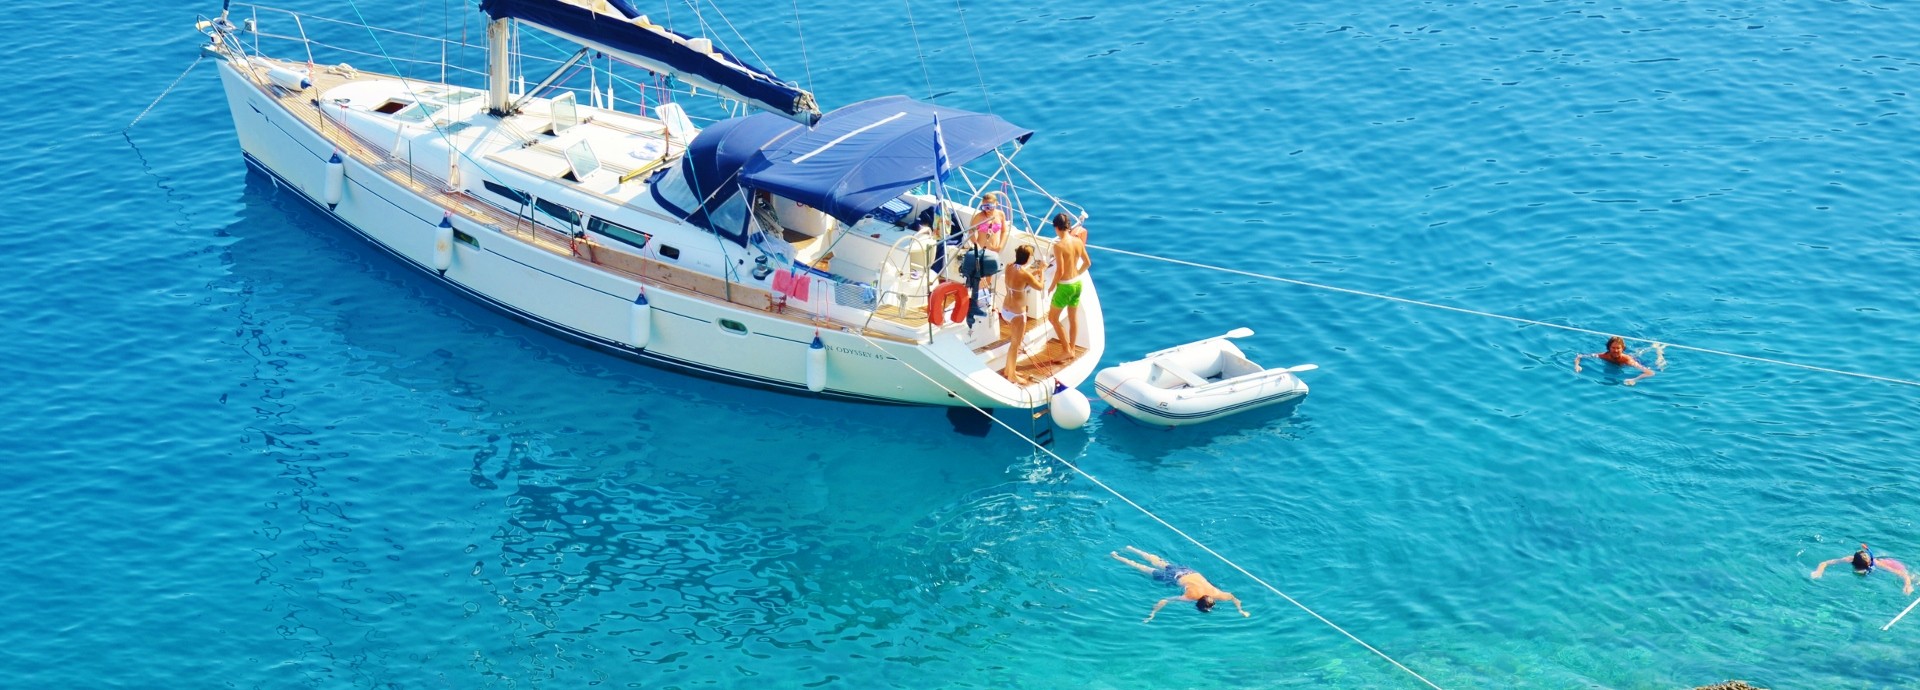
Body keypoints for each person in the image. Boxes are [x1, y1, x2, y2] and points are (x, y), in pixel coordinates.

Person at [1110, 546, 1248, 622]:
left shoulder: (1218, 595)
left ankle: (1131, 549)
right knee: (1143, 569)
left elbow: (1233, 597)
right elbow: (1164, 600)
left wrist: (1240, 610)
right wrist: (1152, 614)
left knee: (1158, 561)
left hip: (1188, 571)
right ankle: (1116, 557)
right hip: (1175, 577)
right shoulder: (1190, 596)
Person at [1046, 213, 1090, 361]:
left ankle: (1066, 350)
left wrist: (1052, 286)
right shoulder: (1077, 241)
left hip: (1065, 286)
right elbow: (1087, 263)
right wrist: (1077, 273)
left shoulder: (1058, 246)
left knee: (1052, 318)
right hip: (1077, 283)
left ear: (1056, 227)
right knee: (1073, 318)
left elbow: (1060, 271)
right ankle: (1071, 348)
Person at [1000, 245, 1044, 382]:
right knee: (1015, 345)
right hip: (1017, 313)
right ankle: (1012, 375)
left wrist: (1034, 271)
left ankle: (1009, 370)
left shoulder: (1009, 266)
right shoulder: (1024, 274)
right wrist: (1041, 271)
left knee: (1013, 343)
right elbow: (1040, 286)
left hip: (1006, 309)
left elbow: (1022, 277)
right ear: (1027, 258)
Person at [1812, 543, 1914, 595]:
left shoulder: (1876, 563)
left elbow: (1902, 574)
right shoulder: (1850, 559)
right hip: (1868, 568)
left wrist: (1907, 585)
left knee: (1913, 578)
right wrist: (1819, 571)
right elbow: (1825, 563)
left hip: (1893, 564)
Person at [1573, 336, 1666, 386]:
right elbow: (1579, 356)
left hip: (1637, 361)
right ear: (1609, 348)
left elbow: (1650, 373)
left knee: (1659, 366)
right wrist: (1577, 365)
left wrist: (1634, 379)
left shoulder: (1627, 360)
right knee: (1637, 352)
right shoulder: (1604, 356)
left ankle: (1659, 351)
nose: (1616, 350)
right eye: (1613, 348)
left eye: (1618, 348)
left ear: (1622, 349)